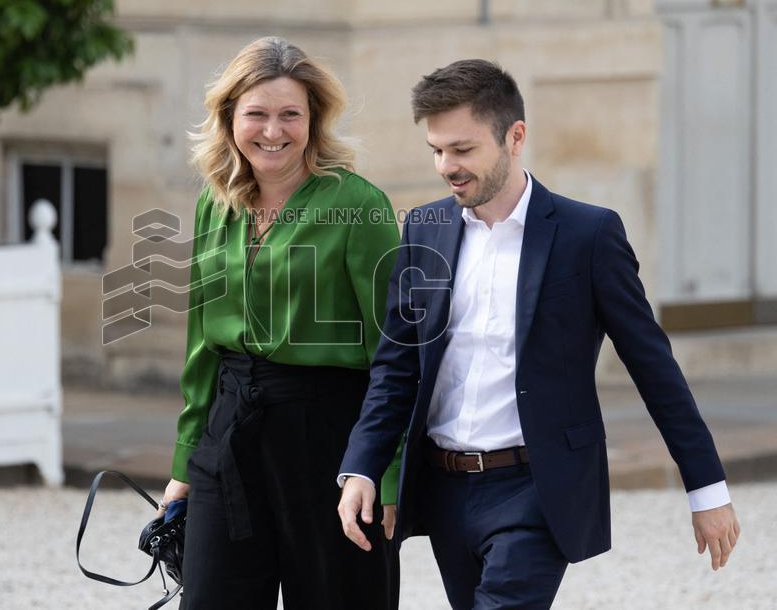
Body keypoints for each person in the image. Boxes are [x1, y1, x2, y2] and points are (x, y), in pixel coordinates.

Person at [336, 59, 741, 609]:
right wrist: (362, 464)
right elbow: (396, 366)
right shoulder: (425, 229)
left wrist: (706, 489)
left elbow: (654, 367)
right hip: (446, 488)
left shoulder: (588, 235)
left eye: (462, 149)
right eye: (435, 150)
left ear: (515, 137)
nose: (445, 166)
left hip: (536, 489)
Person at [159, 36, 401, 610]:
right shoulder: (214, 202)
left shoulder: (358, 205)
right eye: (257, 115)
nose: (273, 131)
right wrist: (185, 461)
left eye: (290, 114)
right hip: (230, 431)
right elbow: (201, 345)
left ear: (314, 120)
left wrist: (385, 473)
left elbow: (397, 353)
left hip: (331, 441)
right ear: (229, 119)